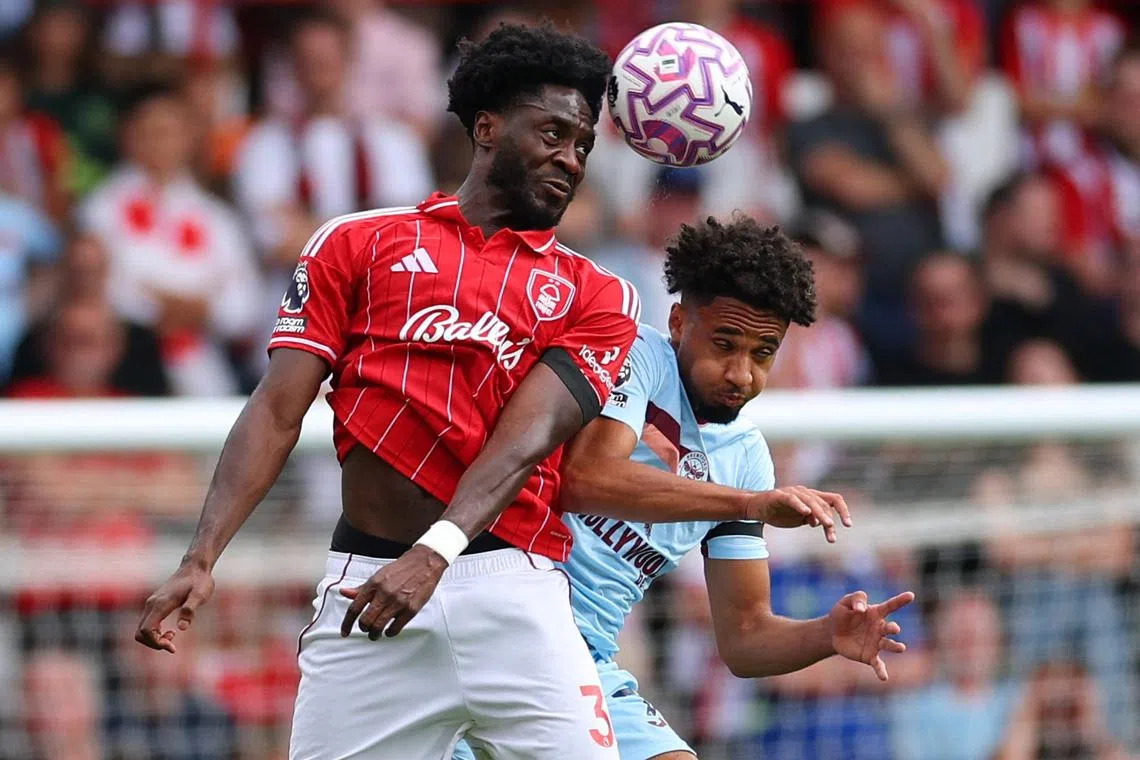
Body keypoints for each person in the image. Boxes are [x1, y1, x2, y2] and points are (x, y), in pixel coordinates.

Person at [135, 22, 647, 759]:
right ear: (487, 127)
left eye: (583, 146)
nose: (570, 158)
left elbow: (526, 441)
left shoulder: (596, 294)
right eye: (554, 133)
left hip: (513, 595)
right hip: (365, 594)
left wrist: (434, 553)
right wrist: (201, 556)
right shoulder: (354, 242)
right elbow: (277, 410)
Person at [459, 216, 916, 760]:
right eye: (725, 344)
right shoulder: (636, 356)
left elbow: (745, 637)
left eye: (763, 353)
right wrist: (749, 506)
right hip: (500, 618)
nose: (741, 374)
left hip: (586, 658)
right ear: (679, 322)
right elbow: (586, 479)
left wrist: (827, 636)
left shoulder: (746, 461)